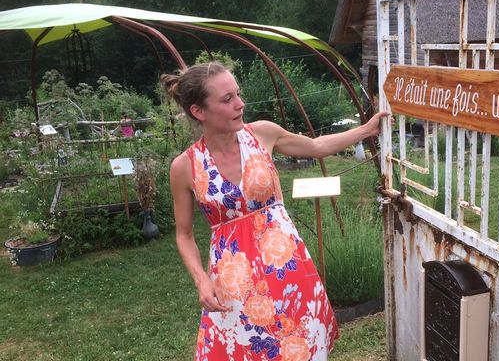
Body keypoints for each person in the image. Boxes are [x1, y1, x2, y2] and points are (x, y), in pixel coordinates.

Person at [161, 62, 389, 361]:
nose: (240, 104)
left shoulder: (262, 134)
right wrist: (202, 280)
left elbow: (317, 145)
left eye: (238, 94)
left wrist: (366, 129)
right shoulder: (185, 167)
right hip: (234, 283)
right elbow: (184, 234)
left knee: (300, 347)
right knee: (248, 350)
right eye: (227, 99)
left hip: (288, 269)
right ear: (198, 112)